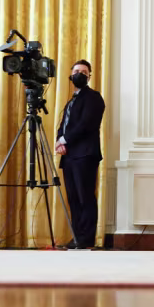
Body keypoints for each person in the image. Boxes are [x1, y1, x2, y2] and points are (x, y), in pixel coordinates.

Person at [55, 60, 104, 250]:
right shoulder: (70, 101)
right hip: (69, 156)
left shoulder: (94, 97)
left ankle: (86, 239)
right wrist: (60, 140)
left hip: (85, 155)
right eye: (76, 71)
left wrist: (64, 140)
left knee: (85, 197)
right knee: (73, 198)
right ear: (70, 74)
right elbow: (63, 125)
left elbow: (86, 124)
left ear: (89, 76)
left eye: (84, 72)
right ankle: (77, 237)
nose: (80, 74)